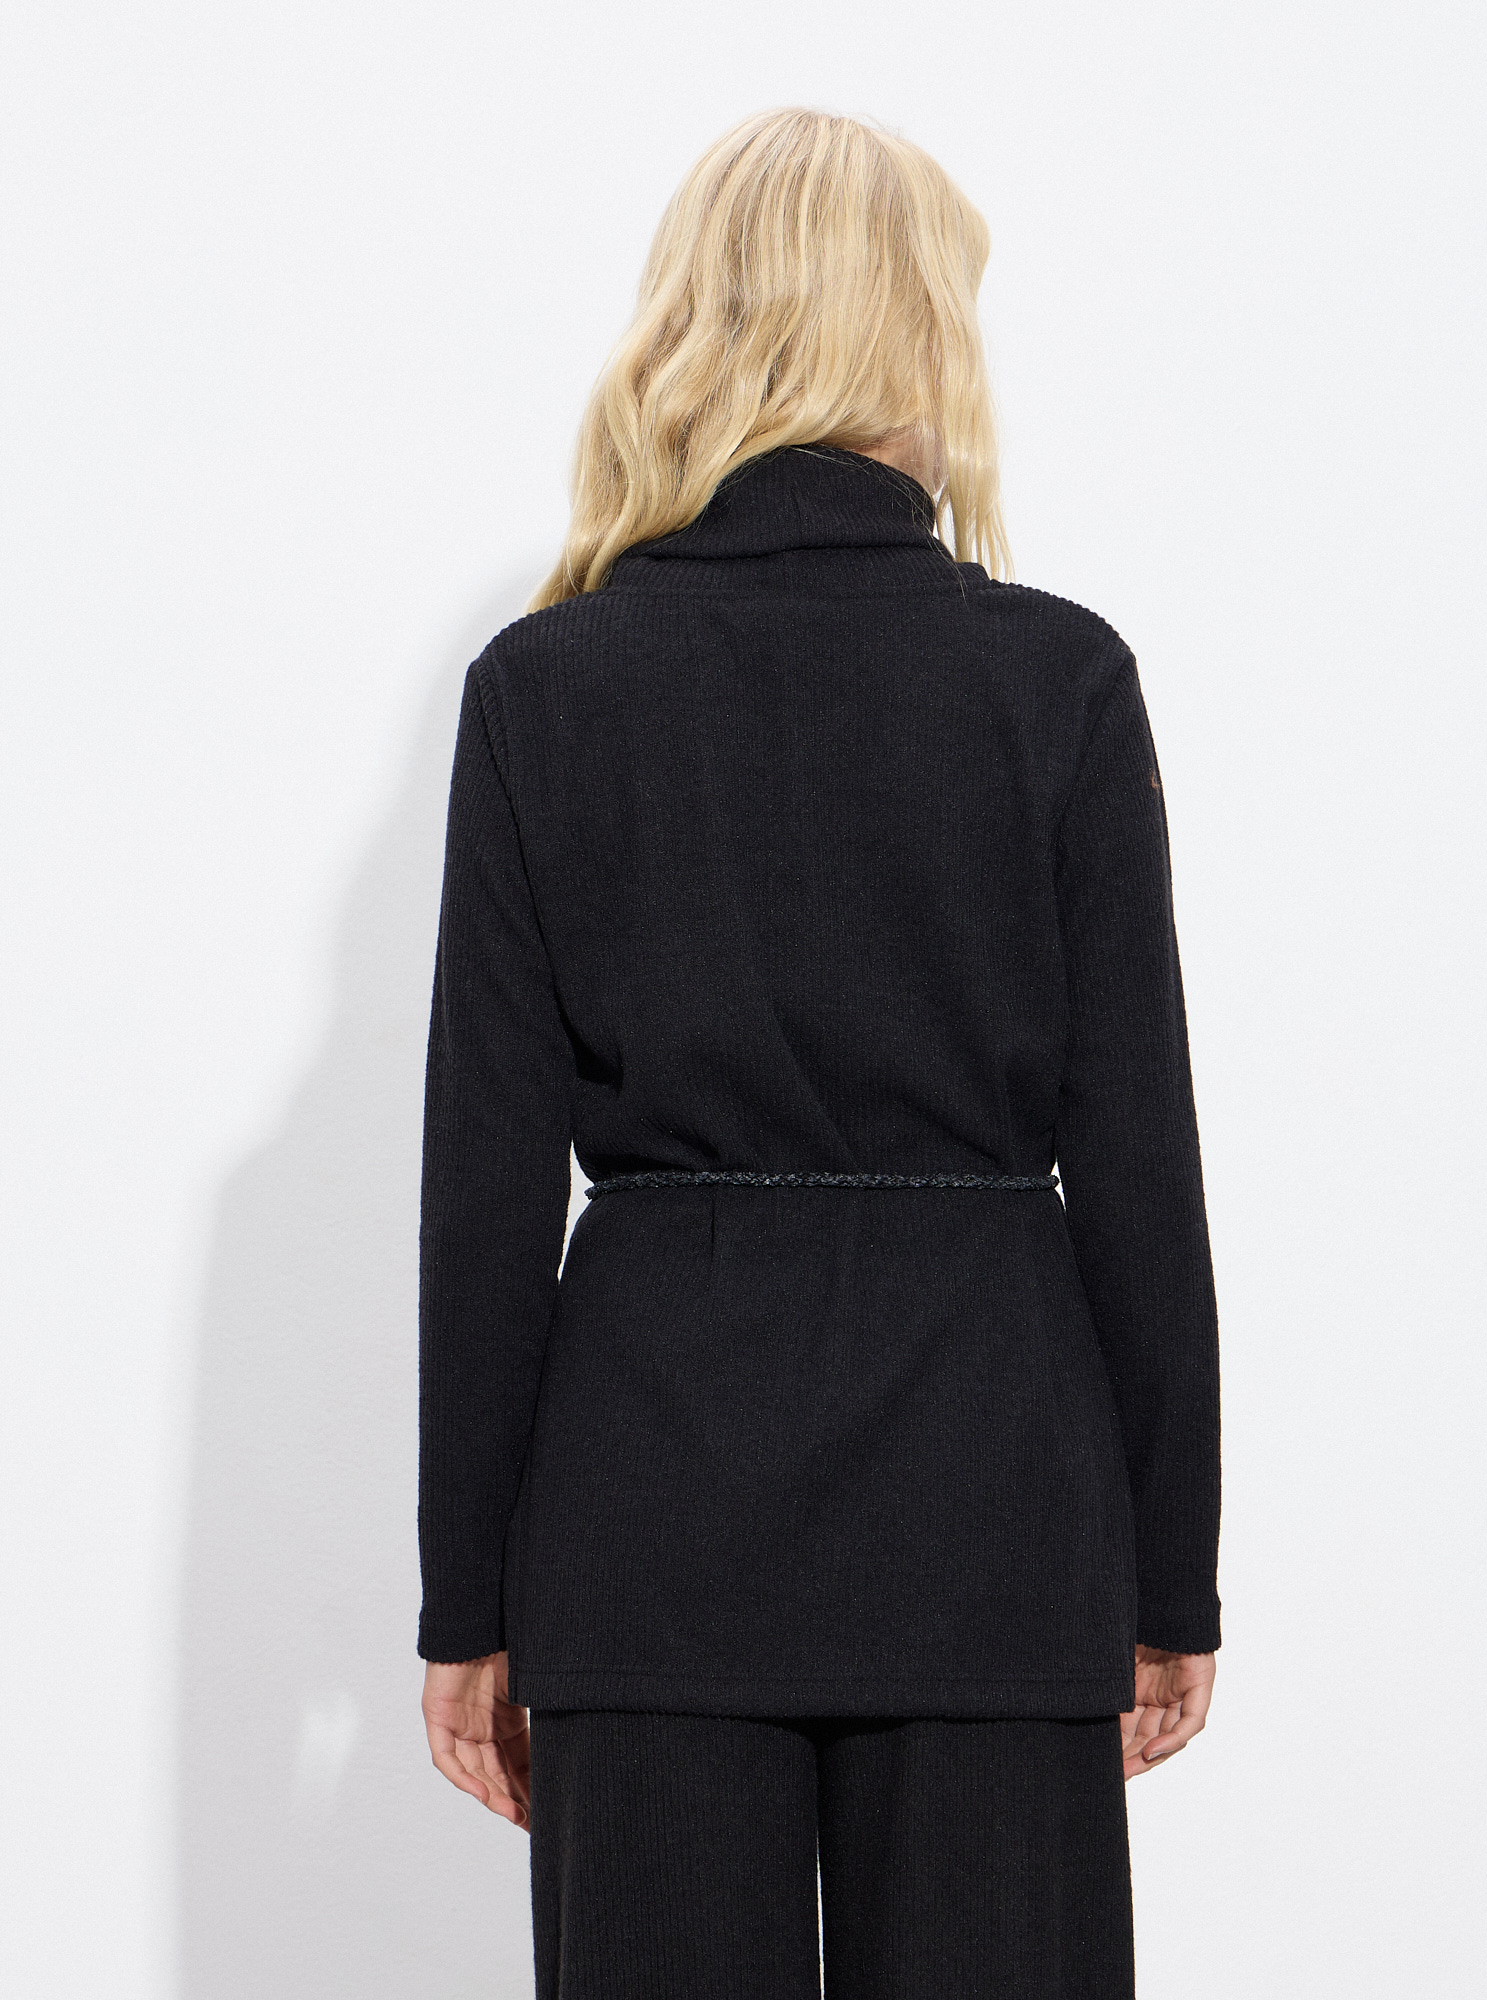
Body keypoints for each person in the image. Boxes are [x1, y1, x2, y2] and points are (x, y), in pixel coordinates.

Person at [416, 107, 1221, 1999]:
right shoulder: (1057, 680)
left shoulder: (548, 689)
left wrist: (471, 1599)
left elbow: (484, 1188)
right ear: (925, 336)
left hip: (648, 1517)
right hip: (994, 1500)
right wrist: (1168, 1568)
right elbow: (1138, 1158)